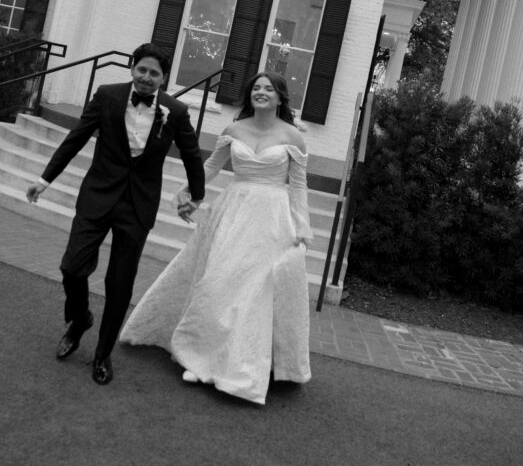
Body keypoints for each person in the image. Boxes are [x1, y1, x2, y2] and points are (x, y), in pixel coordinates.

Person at [120, 71, 313, 406]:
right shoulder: (233, 130)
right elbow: (208, 169)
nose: (261, 92)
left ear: (280, 98)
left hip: (272, 222)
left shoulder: (294, 137)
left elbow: (297, 188)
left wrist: (302, 229)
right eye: (256, 88)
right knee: (218, 283)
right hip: (232, 214)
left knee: (253, 293)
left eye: (269, 89)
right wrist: (188, 194)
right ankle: (200, 356)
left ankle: (241, 368)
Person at [26, 43, 205, 386]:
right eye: (142, 70)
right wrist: (44, 180)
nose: (147, 78)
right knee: (72, 267)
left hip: (137, 206)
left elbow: (192, 156)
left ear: (164, 78)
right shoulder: (107, 96)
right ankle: (80, 319)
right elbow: (76, 138)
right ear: (132, 68)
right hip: (98, 196)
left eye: (154, 73)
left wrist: (195, 197)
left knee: (119, 283)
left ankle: (102, 354)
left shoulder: (176, 112)